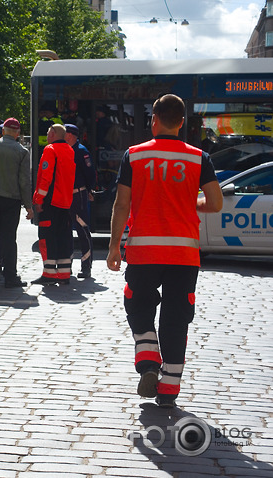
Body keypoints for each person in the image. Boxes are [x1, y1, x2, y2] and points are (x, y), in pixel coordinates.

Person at [107, 94, 223, 408]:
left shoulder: (135, 155)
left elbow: (122, 204)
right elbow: (215, 202)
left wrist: (114, 247)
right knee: (176, 319)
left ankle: (147, 361)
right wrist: (193, 202)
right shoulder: (199, 158)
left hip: (144, 250)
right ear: (182, 122)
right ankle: (169, 390)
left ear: (153, 120)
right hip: (184, 254)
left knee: (139, 306)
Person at [0, 117, 33, 288]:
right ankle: (10, 276)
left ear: (2, 131)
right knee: (9, 238)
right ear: (17, 134)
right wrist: (29, 206)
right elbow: (24, 181)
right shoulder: (22, 152)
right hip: (11, 200)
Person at [32, 124, 76, 285]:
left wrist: (38, 200)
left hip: (50, 203)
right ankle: (64, 274)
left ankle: (49, 274)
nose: (47, 135)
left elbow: (46, 178)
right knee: (63, 237)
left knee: (47, 238)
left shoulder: (50, 150)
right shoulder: (70, 150)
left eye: (48, 132)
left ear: (53, 134)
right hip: (65, 202)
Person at [64, 124, 97, 278]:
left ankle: (86, 266)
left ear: (70, 135)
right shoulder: (64, 149)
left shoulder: (81, 151)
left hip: (78, 196)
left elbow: (90, 173)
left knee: (82, 231)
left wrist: (89, 190)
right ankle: (66, 265)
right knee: (65, 231)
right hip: (65, 196)